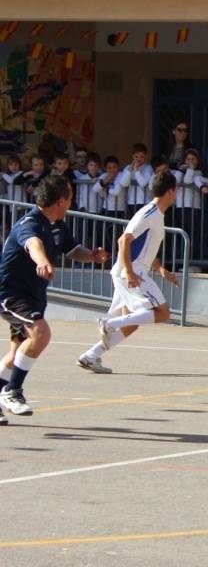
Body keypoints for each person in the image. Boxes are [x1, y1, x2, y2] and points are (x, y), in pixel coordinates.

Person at [0, 176, 108, 417]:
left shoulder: (58, 224)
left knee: (18, 352)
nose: (71, 202)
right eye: (70, 197)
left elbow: (73, 250)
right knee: (41, 333)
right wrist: (42, 261)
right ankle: (12, 391)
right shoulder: (30, 223)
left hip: (34, 294)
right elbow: (33, 244)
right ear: (60, 201)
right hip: (11, 293)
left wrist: (91, 256)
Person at [76, 172, 179, 374]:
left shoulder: (157, 215)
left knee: (132, 323)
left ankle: (90, 356)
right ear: (171, 191)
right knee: (163, 312)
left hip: (127, 271)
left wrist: (161, 269)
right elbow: (123, 240)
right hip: (131, 272)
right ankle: (109, 323)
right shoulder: (149, 213)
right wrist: (130, 272)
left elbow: (145, 249)